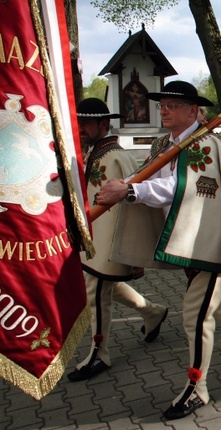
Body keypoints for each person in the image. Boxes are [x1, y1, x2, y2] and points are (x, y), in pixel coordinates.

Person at [96, 81, 221, 420]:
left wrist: (130, 191)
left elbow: (180, 188)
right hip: (187, 240)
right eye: (163, 104)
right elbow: (147, 174)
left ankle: (197, 388)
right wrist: (125, 184)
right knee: (217, 303)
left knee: (195, 314)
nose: (164, 109)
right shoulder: (165, 143)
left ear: (193, 110)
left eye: (173, 104)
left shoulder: (205, 144)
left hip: (210, 242)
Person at [67, 98, 168, 382]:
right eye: (80, 122)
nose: (82, 128)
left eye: (87, 122)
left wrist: (132, 254)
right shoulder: (92, 153)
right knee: (103, 288)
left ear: (104, 124)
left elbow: (134, 206)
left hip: (107, 244)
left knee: (96, 295)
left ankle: (100, 354)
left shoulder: (114, 156)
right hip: (92, 241)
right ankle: (153, 312)